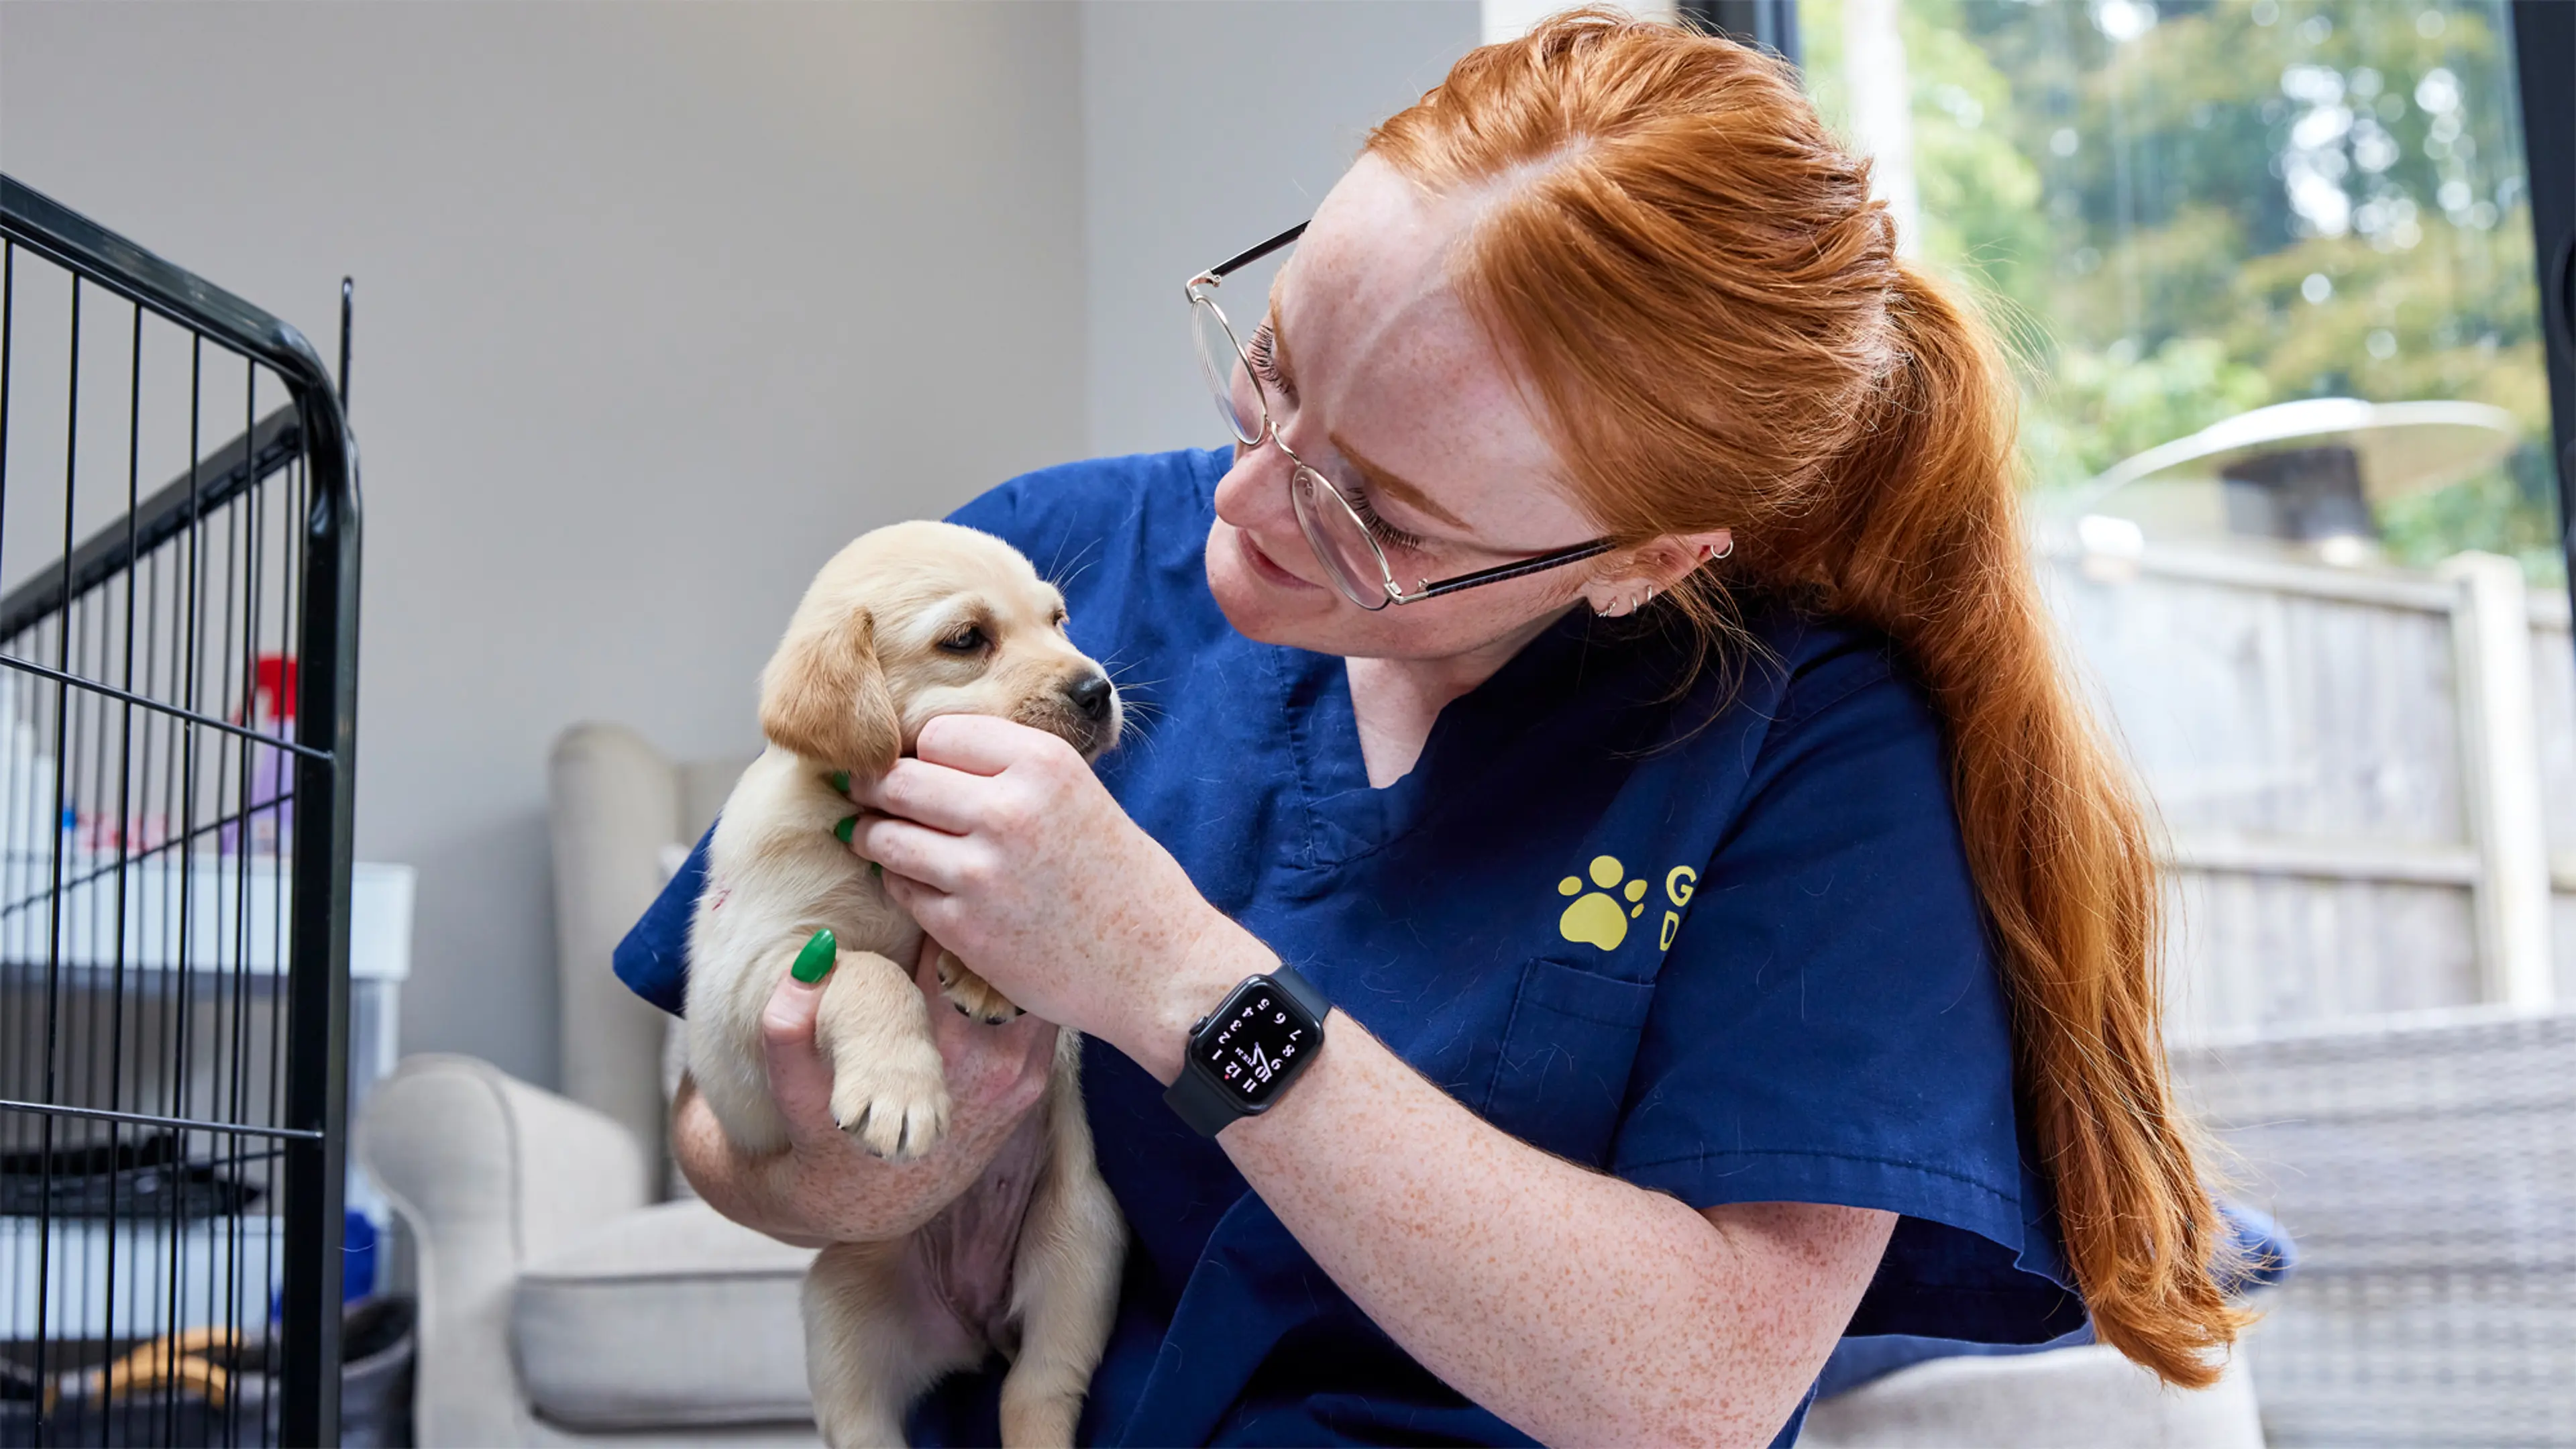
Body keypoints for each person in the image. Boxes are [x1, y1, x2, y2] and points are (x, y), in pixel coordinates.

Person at [613, 13, 2249, 1446]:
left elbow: (1698, 1394)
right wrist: (859, 1161)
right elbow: (720, 1125)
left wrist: (1174, 980)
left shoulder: (1814, 755)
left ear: (1639, 562)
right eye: (1271, 367)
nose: (1247, 498)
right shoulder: (1040, 567)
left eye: (1371, 509)